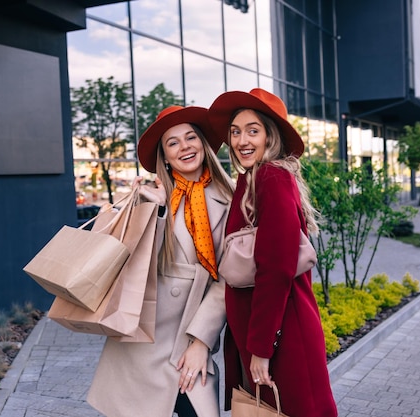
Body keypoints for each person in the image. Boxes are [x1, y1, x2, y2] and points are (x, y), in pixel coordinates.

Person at [87, 105, 235, 416]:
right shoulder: (152, 199)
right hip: (143, 339)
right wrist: (149, 213)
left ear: (203, 145)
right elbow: (131, 265)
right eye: (173, 142)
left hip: (190, 336)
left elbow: (227, 280)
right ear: (164, 158)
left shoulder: (231, 198)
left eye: (191, 137)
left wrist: (201, 343)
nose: (185, 147)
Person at [207, 88, 338, 417]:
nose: (241, 140)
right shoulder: (251, 179)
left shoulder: (271, 177)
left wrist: (262, 348)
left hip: (282, 335)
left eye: (253, 130)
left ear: (270, 136)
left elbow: (276, 269)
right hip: (268, 332)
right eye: (235, 132)